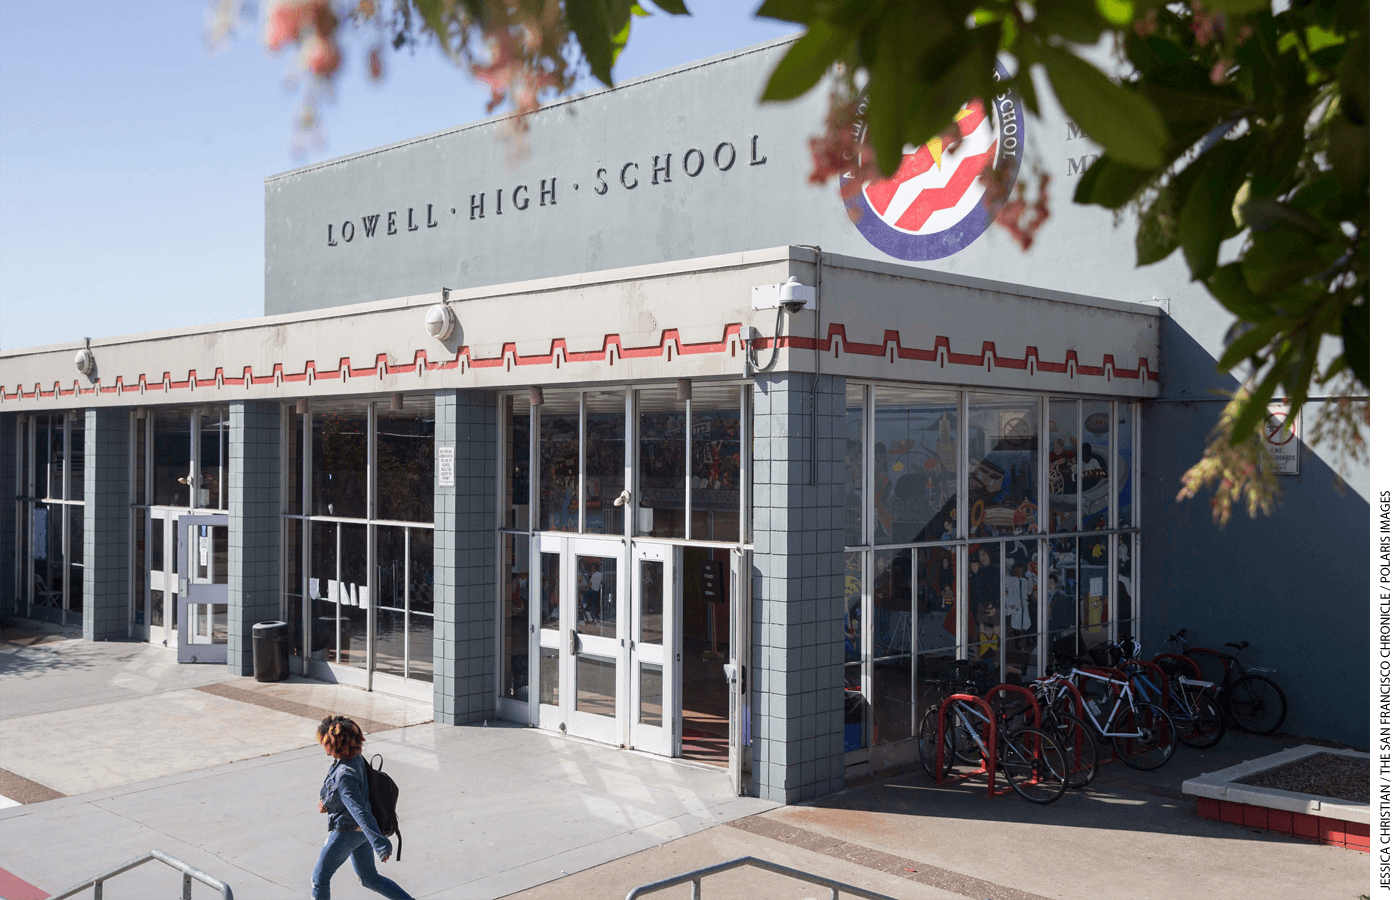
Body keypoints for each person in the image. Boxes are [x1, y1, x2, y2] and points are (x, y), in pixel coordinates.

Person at [312, 715, 413, 900]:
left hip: (347, 832)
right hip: (361, 835)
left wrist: (380, 843)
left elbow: (359, 810)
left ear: (334, 744)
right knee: (369, 878)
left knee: (319, 878)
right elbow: (347, 796)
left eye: (325, 742)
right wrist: (326, 803)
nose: (323, 746)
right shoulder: (355, 759)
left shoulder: (344, 775)